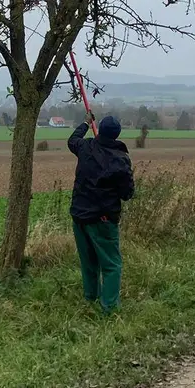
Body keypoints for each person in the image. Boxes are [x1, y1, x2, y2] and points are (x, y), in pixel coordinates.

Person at [67, 115, 135, 315]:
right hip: (103, 219)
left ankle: (90, 298)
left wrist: (86, 123)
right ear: (116, 135)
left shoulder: (85, 148)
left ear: (100, 130)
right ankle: (110, 308)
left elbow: (72, 140)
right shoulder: (120, 159)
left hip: (79, 216)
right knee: (111, 264)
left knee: (89, 261)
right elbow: (127, 194)